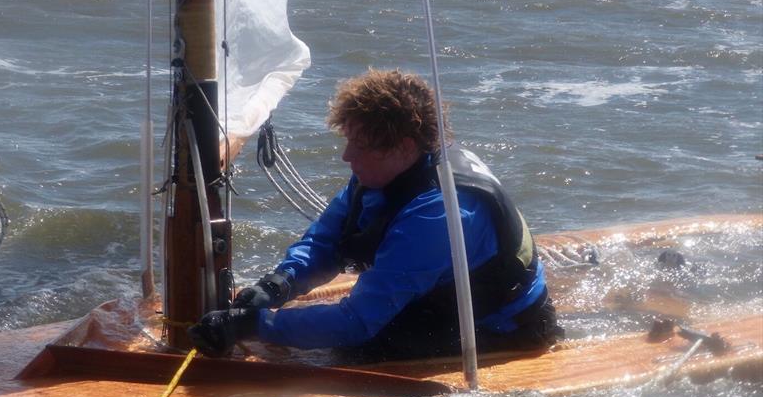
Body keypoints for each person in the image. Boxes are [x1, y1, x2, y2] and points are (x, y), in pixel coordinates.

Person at [188, 68, 563, 361]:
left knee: (356, 350)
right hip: (433, 301)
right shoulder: (384, 174)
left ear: (403, 147)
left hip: (498, 330)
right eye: (348, 140)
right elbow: (326, 241)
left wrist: (255, 326)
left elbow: (357, 322)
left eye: (360, 145)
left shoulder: (441, 213)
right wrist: (276, 286)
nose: (346, 156)